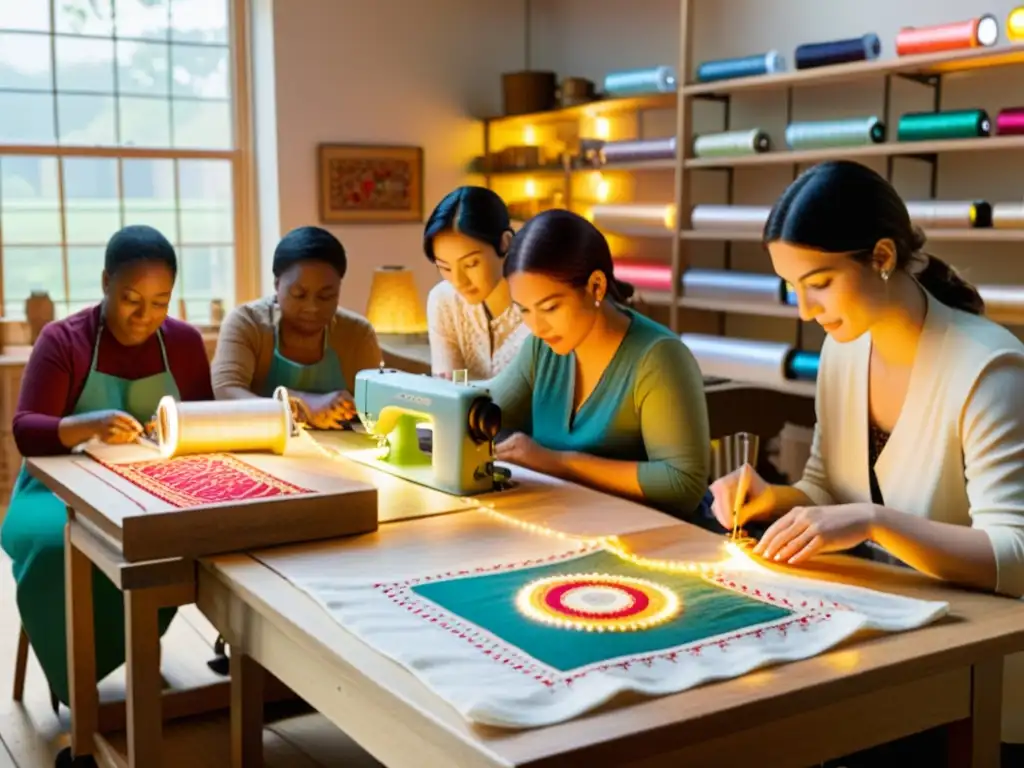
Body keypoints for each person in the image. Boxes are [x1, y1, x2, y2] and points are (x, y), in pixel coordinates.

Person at [708, 160, 1024, 764]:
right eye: (791, 287)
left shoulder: (989, 369)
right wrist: (773, 498)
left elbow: (1016, 556)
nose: (804, 310)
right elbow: (828, 488)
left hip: (974, 682)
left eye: (818, 283)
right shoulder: (843, 351)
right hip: (882, 649)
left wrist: (874, 523)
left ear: (881, 256)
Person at [0, 225, 213, 706]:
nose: (144, 316)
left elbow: (204, 418)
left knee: (175, 542)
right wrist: (85, 425)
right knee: (61, 550)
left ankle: (143, 657)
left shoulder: (182, 342)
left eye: (160, 302)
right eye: (131, 298)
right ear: (104, 283)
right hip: (53, 490)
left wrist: (175, 432)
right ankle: (75, 680)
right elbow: (27, 430)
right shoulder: (63, 340)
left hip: (150, 486)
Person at [485, 209, 710, 517]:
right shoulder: (541, 349)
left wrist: (558, 463)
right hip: (573, 525)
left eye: (550, 307)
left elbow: (682, 483)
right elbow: (484, 406)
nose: (536, 326)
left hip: (661, 541)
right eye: (524, 311)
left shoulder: (659, 358)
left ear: (596, 287)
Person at [211, 226, 382, 428]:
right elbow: (227, 391)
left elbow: (376, 407)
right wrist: (302, 404)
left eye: (326, 296)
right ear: (277, 284)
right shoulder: (247, 323)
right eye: (299, 294)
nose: (312, 307)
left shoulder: (357, 334)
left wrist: (349, 407)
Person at [424, 186, 530, 380]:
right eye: (445, 268)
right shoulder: (444, 300)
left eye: (471, 264)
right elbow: (447, 392)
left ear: (505, 242)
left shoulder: (537, 308)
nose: (458, 281)